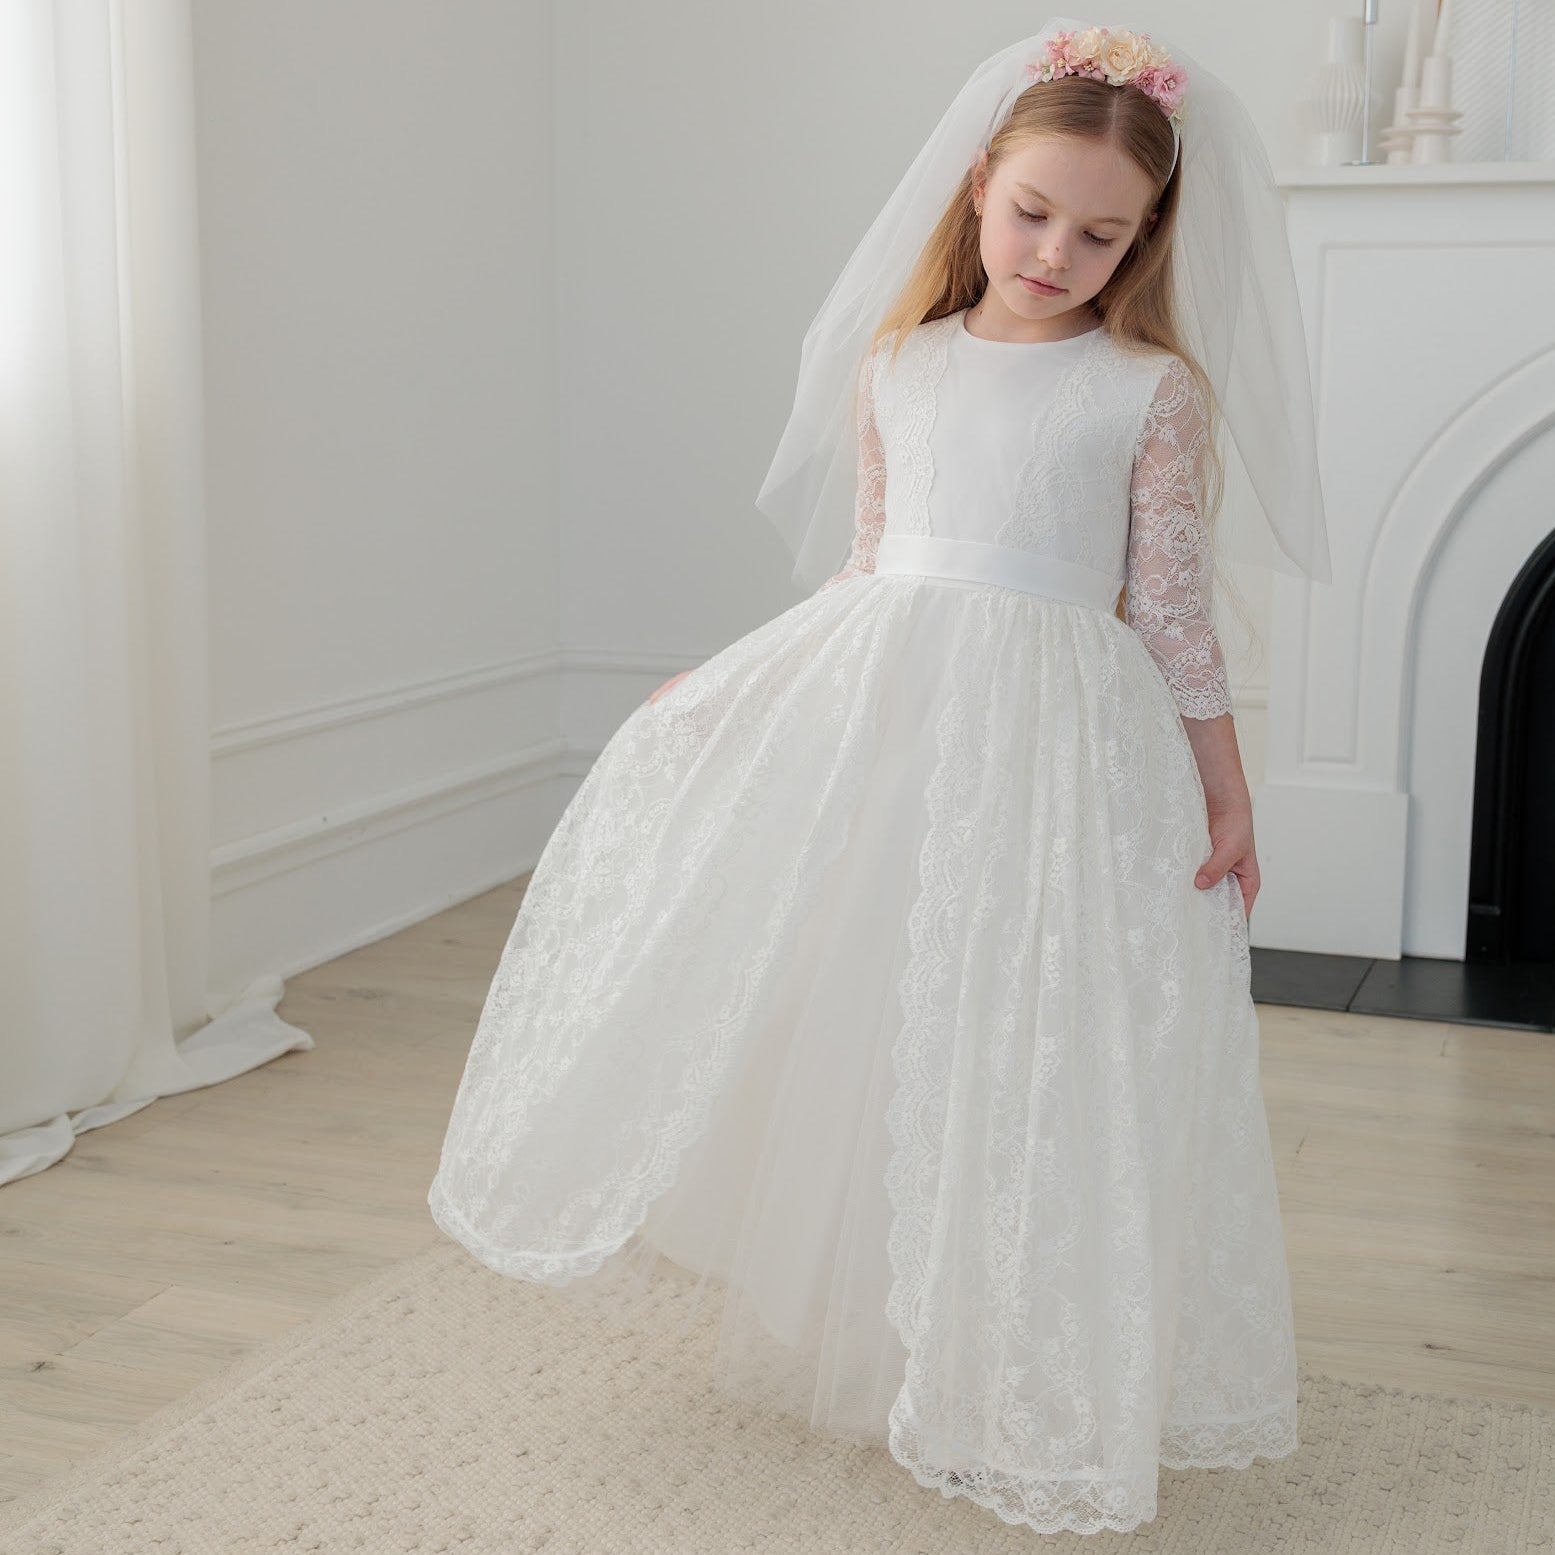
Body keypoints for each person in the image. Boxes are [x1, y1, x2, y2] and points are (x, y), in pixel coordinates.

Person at [429, 17, 1331, 1537]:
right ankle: (897, 1324)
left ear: (1147, 238)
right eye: (1035, 212)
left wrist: (1229, 790)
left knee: (1032, 1029)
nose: (1058, 252)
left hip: (1062, 755)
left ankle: (1024, 1357)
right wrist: (723, 688)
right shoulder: (898, 365)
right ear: (980, 187)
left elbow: (1170, 614)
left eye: (1102, 235)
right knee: (891, 1014)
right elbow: (868, 571)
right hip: (905, 727)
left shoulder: (1146, 394)